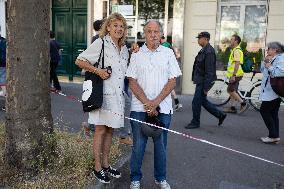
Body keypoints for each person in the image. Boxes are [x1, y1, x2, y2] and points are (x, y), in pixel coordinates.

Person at [126, 20, 182, 189]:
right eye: (149, 31)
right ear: (145, 34)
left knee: (161, 147)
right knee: (138, 146)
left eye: (156, 31)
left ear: (161, 34)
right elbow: (131, 80)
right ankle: (135, 178)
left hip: (163, 109)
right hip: (138, 108)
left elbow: (173, 80)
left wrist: (155, 103)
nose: (152, 35)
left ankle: (160, 178)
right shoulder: (136, 54)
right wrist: (146, 103)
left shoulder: (168, 53)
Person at [75, 13, 129, 184]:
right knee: (100, 130)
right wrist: (98, 71)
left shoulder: (125, 49)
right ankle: (97, 167)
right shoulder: (101, 43)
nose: (119, 29)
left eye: (121, 26)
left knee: (111, 130)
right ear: (108, 27)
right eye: (115, 26)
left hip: (117, 97)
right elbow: (79, 61)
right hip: (103, 96)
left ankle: (106, 164)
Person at [185, 31, 226, 129]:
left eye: (200, 38)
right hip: (201, 80)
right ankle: (220, 115)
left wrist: (206, 87)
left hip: (204, 81)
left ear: (206, 39)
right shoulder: (204, 50)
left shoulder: (209, 51)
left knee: (196, 102)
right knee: (202, 101)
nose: (198, 40)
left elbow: (210, 71)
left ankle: (195, 122)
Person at [259, 42, 284, 144]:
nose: (267, 50)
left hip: (274, 91)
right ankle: (275, 136)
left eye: (269, 48)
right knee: (273, 113)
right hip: (270, 90)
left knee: (264, 110)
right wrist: (265, 62)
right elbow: (262, 70)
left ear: (275, 50)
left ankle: (273, 135)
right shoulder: (272, 58)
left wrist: (269, 66)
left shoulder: (281, 59)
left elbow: (280, 72)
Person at [224, 34, 247, 114]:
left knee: (230, 90)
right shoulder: (235, 50)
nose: (230, 41)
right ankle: (232, 108)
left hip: (236, 75)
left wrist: (233, 75)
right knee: (233, 91)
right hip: (237, 74)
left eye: (232, 39)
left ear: (236, 41)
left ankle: (243, 103)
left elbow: (237, 63)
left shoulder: (237, 50)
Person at [160, 36, 183, 111]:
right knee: (169, 86)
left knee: (165, 86)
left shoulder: (163, 46)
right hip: (170, 67)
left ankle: (172, 104)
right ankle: (177, 103)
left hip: (166, 68)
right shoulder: (168, 45)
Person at [0, 34, 6, 111]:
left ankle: (6, 104)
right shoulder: (4, 40)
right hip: (5, 64)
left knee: (3, 83)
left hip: (1, 65)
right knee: (3, 83)